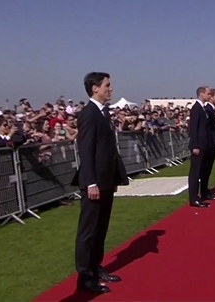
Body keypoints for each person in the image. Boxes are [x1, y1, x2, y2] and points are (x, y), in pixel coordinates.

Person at [71, 72, 129, 294]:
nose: (110, 89)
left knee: (101, 228)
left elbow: (108, 150)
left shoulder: (103, 113)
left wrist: (113, 178)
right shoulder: (88, 114)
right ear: (95, 88)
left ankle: (96, 266)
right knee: (88, 231)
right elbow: (86, 150)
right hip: (94, 182)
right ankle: (85, 277)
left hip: (106, 180)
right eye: (107, 85)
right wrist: (91, 182)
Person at [187, 86, 214, 208]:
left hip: (204, 144)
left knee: (202, 171)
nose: (210, 96)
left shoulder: (204, 109)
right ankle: (193, 198)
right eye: (208, 93)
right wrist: (195, 146)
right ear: (202, 94)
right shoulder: (196, 108)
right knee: (195, 173)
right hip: (198, 146)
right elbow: (194, 128)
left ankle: (201, 193)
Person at [201, 89, 215, 201]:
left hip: (213, 143)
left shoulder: (213, 110)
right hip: (209, 144)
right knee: (205, 169)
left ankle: (205, 189)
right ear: (211, 97)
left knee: (208, 169)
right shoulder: (208, 110)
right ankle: (204, 190)